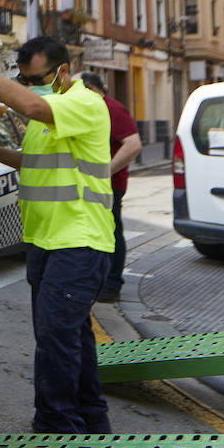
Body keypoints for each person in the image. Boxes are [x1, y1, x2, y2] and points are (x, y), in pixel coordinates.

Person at [0, 30, 114, 434]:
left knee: (55, 337)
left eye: (37, 79)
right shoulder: (47, 112)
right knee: (72, 336)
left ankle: (56, 426)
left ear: (63, 72)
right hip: (45, 241)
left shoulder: (84, 103)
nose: (31, 87)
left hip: (80, 241)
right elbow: (33, 162)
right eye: (25, 80)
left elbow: (30, 106)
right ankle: (92, 418)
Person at [81, 72, 142, 303]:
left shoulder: (111, 108)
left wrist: (104, 172)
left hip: (108, 185)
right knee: (99, 232)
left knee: (111, 232)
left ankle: (111, 284)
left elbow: (133, 144)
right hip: (94, 183)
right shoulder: (93, 107)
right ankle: (100, 281)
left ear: (92, 89)